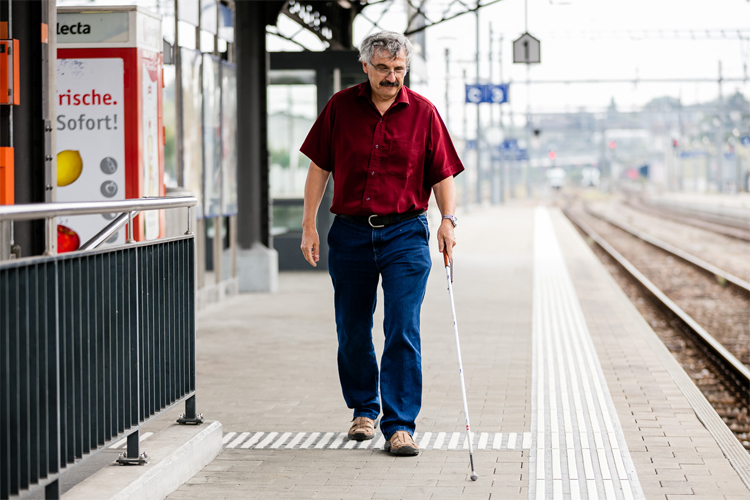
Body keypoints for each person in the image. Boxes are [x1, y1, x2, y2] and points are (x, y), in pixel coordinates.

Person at [299, 31, 463, 456]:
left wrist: (447, 221)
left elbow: (443, 174)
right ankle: (363, 410)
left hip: (406, 234)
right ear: (366, 66)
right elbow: (319, 168)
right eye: (385, 68)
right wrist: (308, 225)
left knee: (402, 328)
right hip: (351, 233)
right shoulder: (340, 107)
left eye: (399, 69)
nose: (392, 77)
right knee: (352, 329)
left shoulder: (424, 113)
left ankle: (400, 425)